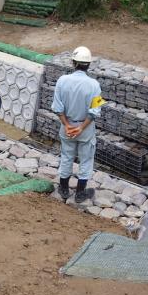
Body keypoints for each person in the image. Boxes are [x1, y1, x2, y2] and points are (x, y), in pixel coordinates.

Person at [51, 46, 105, 202]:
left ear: (73, 63)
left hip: (66, 126)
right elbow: (95, 111)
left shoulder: (62, 80)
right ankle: (80, 193)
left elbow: (57, 107)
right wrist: (81, 127)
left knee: (67, 156)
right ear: (88, 64)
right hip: (85, 128)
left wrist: (67, 125)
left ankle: (64, 188)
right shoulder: (94, 85)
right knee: (86, 159)